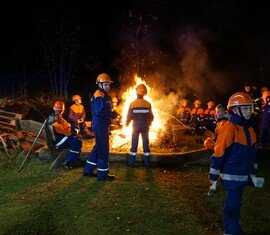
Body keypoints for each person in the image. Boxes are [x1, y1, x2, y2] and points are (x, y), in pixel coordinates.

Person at [208, 92, 259, 235]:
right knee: (232, 206)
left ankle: (234, 229)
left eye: (250, 108)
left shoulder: (248, 128)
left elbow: (252, 155)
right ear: (235, 110)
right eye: (245, 108)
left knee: (237, 204)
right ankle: (230, 232)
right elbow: (219, 153)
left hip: (242, 175)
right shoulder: (229, 128)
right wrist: (213, 177)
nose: (249, 111)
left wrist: (253, 173)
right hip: (232, 176)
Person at [83, 73, 115, 181]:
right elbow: (100, 111)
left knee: (98, 147)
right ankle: (102, 175)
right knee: (103, 149)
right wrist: (111, 114)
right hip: (100, 124)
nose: (108, 86)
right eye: (106, 84)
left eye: (108, 84)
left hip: (101, 124)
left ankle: (88, 170)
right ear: (100, 84)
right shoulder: (98, 96)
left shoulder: (104, 95)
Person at [47, 100, 83, 170]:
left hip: (56, 139)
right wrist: (76, 131)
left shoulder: (51, 118)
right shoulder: (57, 120)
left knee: (78, 139)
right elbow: (68, 133)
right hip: (57, 141)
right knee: (77, 142)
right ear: (63, 110)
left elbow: (65, 130)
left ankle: (75, 159)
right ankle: (69, 162)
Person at [126, 84, 154, 168]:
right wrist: (149, 123)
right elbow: (151, 116)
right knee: (146, 145)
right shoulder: (148, 104)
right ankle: (148, 164)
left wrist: (127, 123)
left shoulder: (132, 104)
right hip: (145, 127)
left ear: (136, 93)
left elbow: (129, 116)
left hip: (135, 127)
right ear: (144, 94)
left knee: (134, 145)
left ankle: (131, 164)